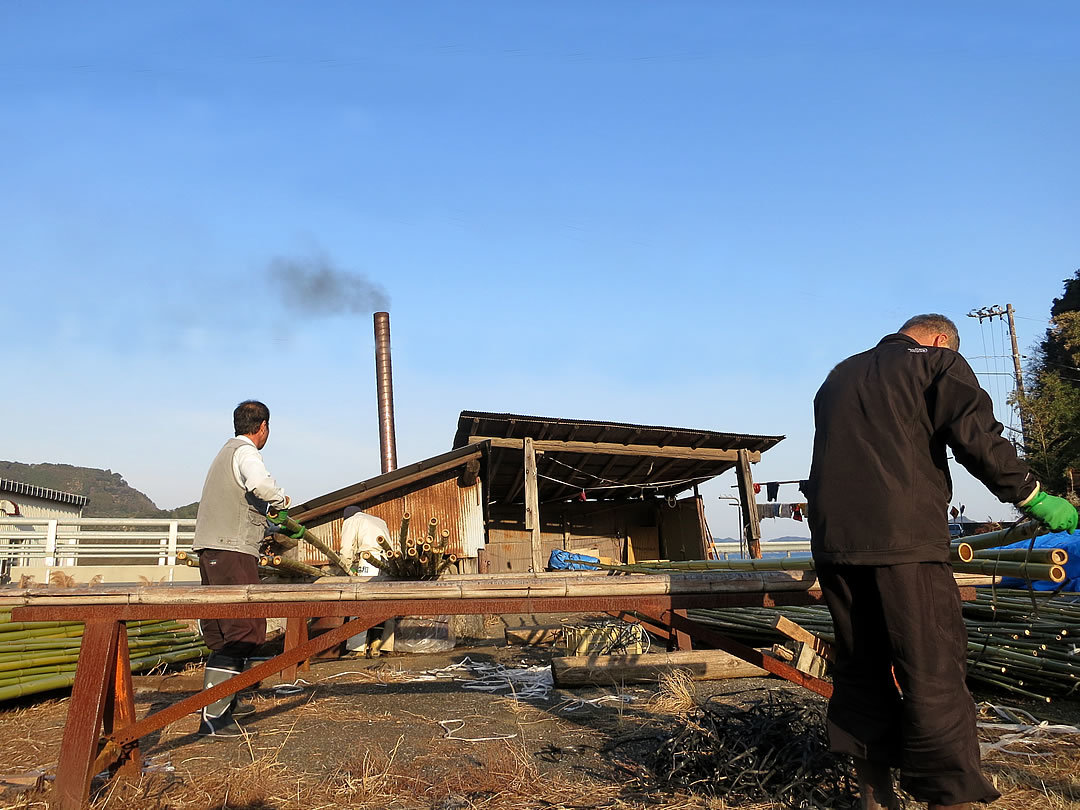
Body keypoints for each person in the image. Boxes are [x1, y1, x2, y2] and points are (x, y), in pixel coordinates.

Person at [805, 314, 1077, 810]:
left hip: (835, 544)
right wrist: (1033, 495)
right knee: (932, 672)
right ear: (938, 340)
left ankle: (875, 797)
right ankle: (948, 800)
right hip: (904, 543)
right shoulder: (935, 362)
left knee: (861, 667)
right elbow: (977, 435)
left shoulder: (840, 374)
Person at [192, 400, 292, 737]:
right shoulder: (247, 452)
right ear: (262, 426)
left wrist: (268, 525)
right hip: (230, 550)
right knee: (244, 629)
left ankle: (222, 703)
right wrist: (281, 500)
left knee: (224, 632)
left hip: (213, 549)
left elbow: (241, 503)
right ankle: (214, 718)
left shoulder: (225, 453)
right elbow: (261, 486)